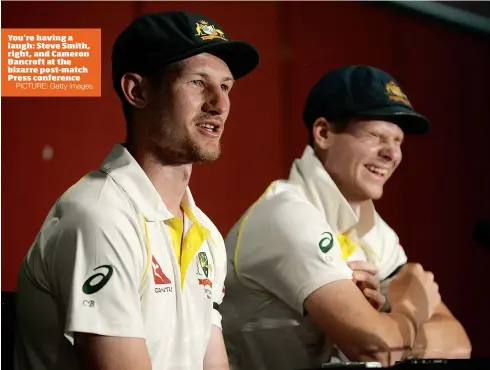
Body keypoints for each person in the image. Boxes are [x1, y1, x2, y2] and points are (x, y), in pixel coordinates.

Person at [14, 10, 259, 370]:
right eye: (197, 82)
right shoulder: (99, 215)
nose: (219, 104)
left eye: (225, 86)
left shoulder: (204, 233)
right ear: (138, 91)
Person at [219, 65, 471, 369]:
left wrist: (387, 326)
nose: (392, 154)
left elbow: (457, 344)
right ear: (323, 133)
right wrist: (409, 310)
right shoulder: (287, 215)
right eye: (375, 136)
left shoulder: (378, 233)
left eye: (398, 141)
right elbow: (378, 348)